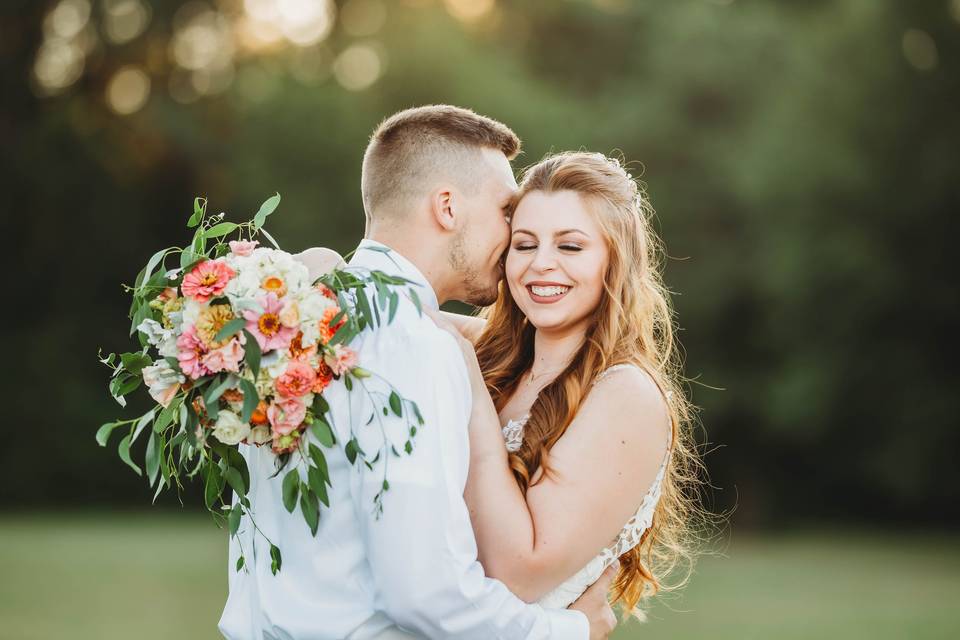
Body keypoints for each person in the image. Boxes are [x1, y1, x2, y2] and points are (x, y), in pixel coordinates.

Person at [218, 106, 618, 639]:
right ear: (447, 207)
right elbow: (423, 593)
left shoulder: (286, 318)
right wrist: (568, 631)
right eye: (505, 209)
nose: (513, 230)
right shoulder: (416, 346)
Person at [432, 151, 702, 619]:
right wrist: (312, 272)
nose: (541, 265)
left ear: (614, 260)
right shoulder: (494, 356)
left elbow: (519, 573)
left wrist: (472, 394)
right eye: (525, 244)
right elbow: (389, 316)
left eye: (570, 247)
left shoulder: (625, 395)